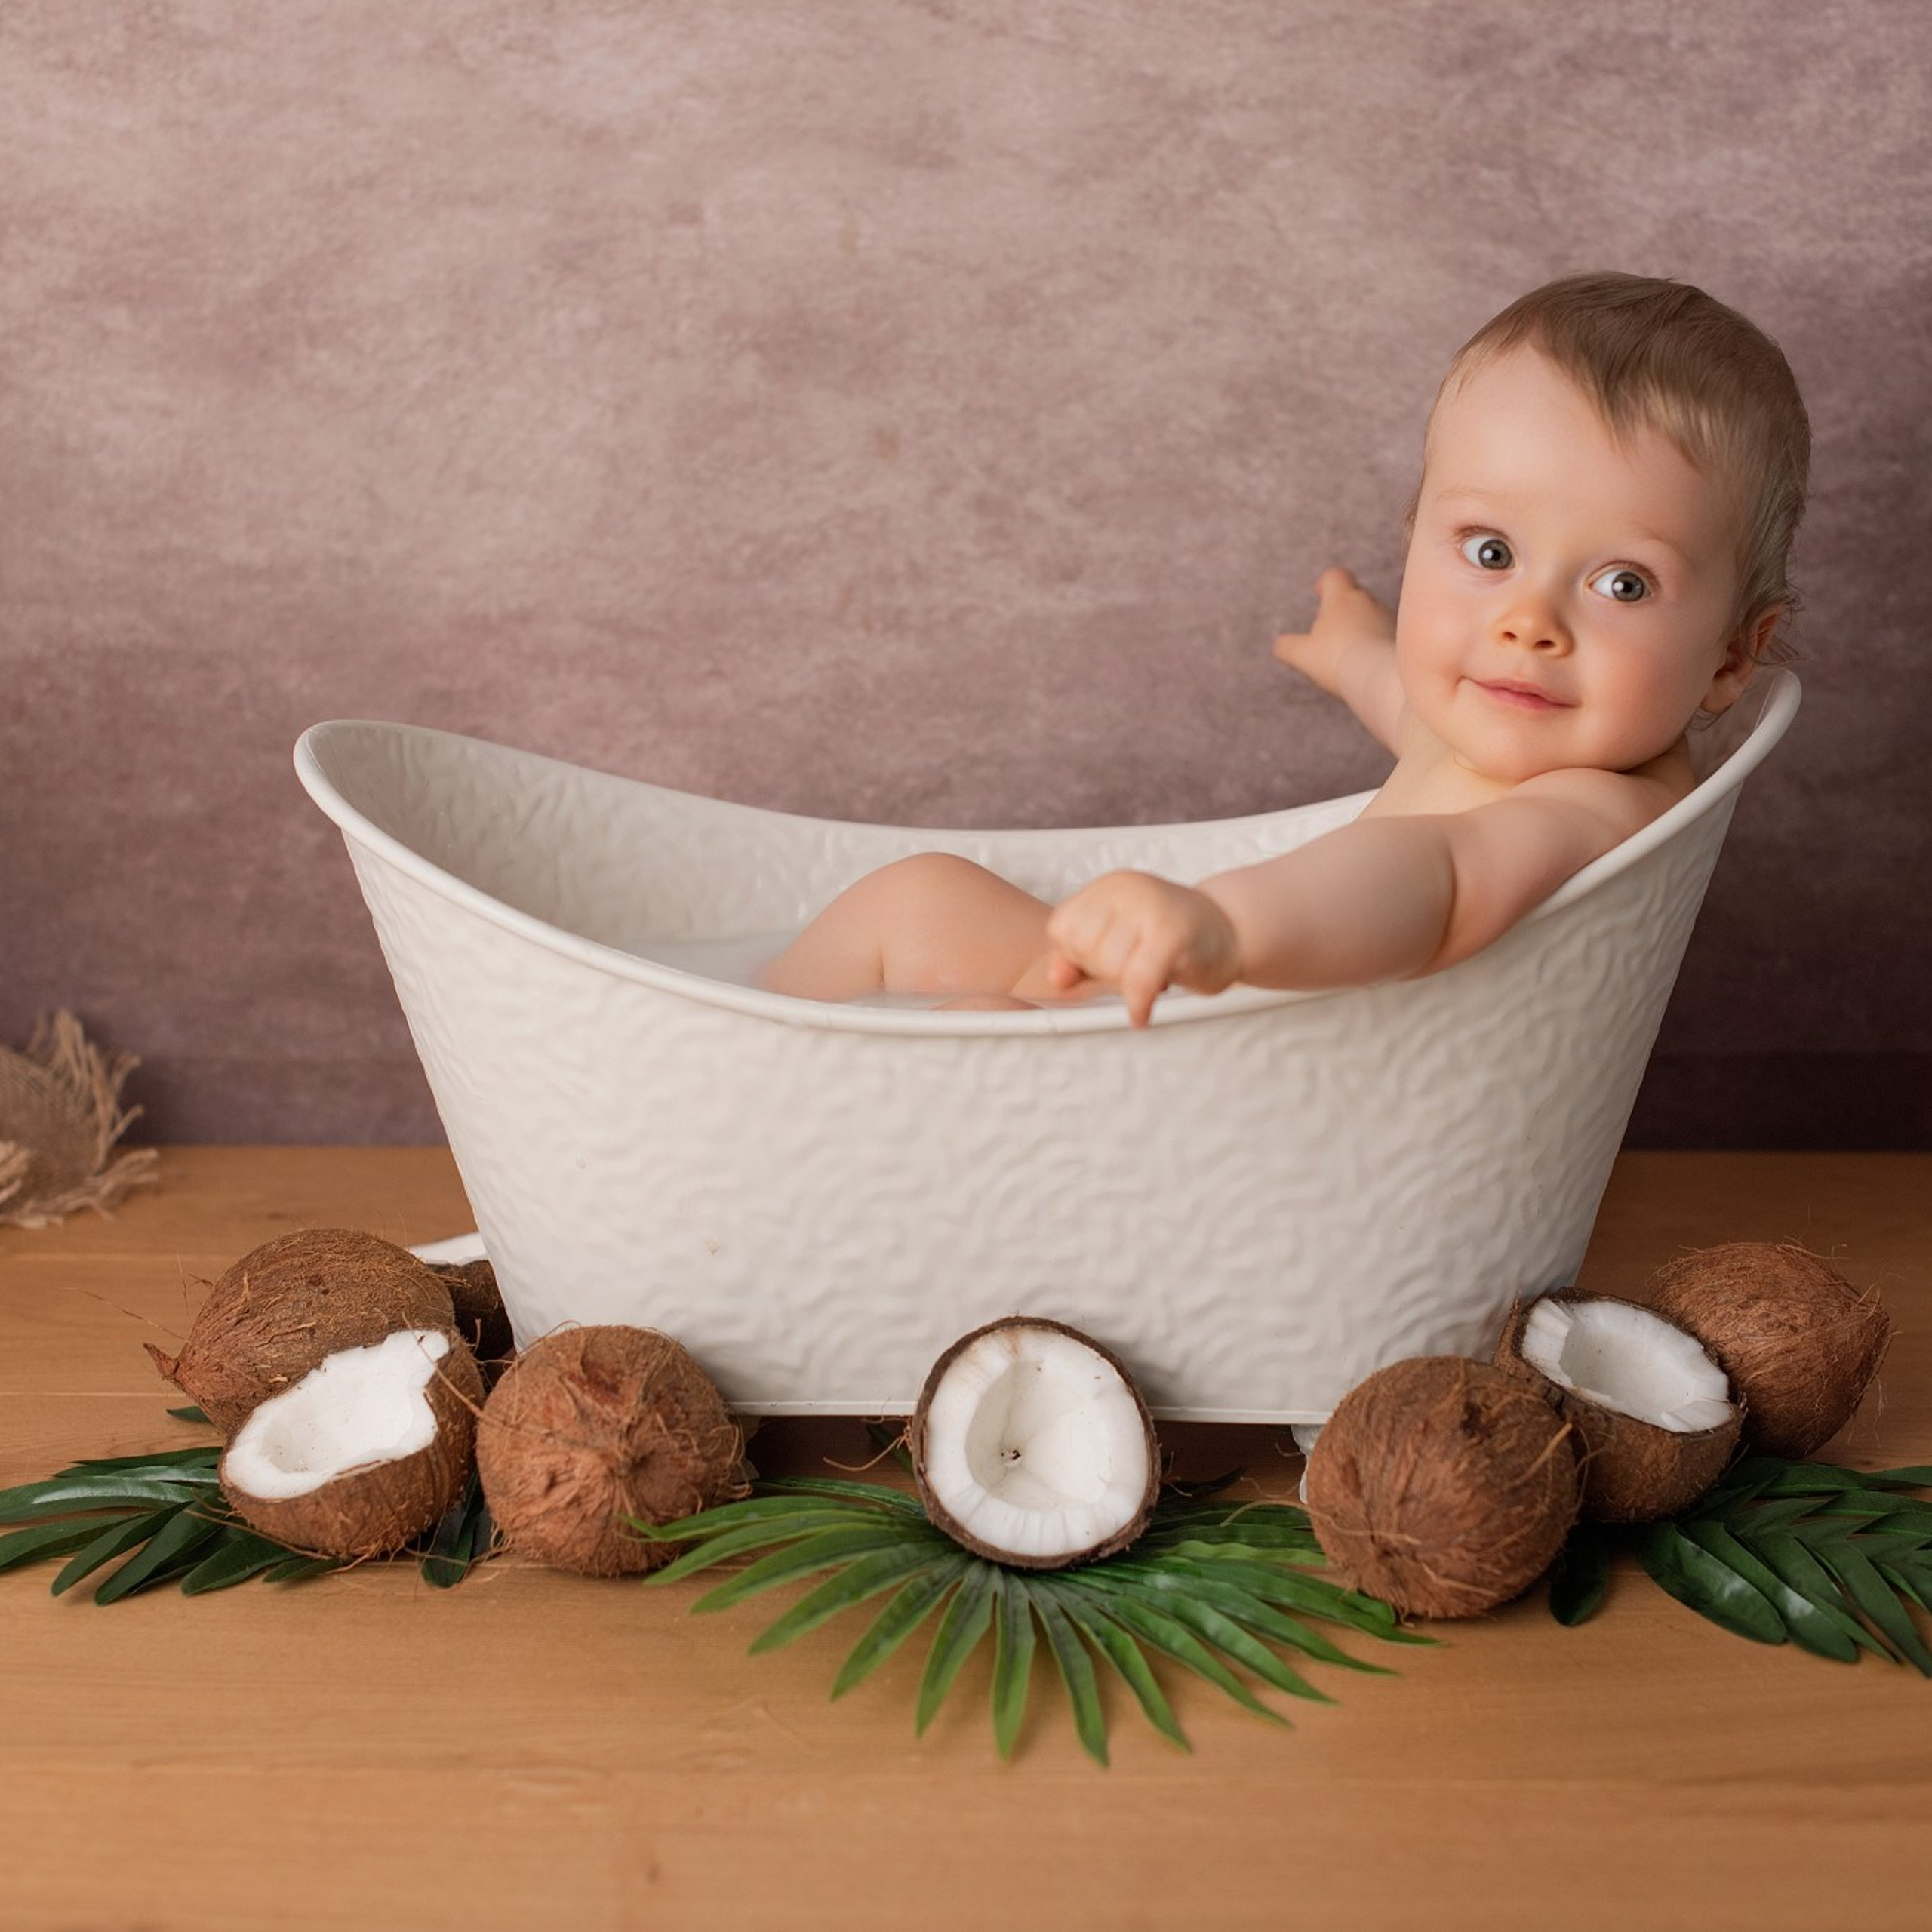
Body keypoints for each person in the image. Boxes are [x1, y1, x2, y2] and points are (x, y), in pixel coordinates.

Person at [761, 271, 1811, 1026]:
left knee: (979, 1027)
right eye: (1489, 551)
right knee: (920, 893)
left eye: (1622, 583)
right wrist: (1362, 654)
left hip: (1262, 1086)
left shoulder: (1596, 809)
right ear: (1415, 539)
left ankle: (743, 1142)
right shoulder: (1509, 738)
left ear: (1731, 656)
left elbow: (1430, 876)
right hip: (1186, 1002)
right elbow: (1422, 731)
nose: (1528, 622)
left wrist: (1222, 923)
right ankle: (722, 1060)